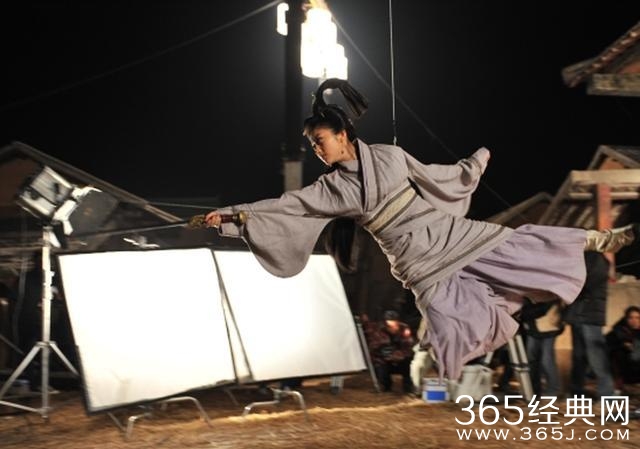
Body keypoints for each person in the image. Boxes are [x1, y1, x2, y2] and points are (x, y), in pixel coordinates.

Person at [203, 78, 639, 381]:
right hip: (413, 257)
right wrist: (233, 215)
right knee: (444, 317)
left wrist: (470, 168)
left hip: (443, 231)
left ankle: (596, 239)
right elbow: (287, 205)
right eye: (312, 145)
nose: (317, 150)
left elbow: (433, 175)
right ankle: (454, 366)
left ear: (342, 133)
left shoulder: (390, 157)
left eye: (320, 140)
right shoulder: (330, 189)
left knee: (515, 242)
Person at [564, 251, 615, 398]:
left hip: (590, 314)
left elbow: (586, 283)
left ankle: (606, 394)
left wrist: (568, 285)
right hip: (579, 314)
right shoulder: (585, 257)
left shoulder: (596, 258)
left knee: (596, 356)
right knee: (578, 356)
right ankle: (576, 391)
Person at [362, 310, 415, 393]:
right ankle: (385, 386)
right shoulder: (377, 328)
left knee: (408, 364)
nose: (393, 327)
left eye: (395, 324)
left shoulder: (404, 328)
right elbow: (374, 345)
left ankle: (408, 387)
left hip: (400, 357)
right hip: (383, 359)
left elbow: (408, 345)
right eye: (390, 325)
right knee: (380, 367)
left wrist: (399, 355)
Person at [520, 298, 564, 396]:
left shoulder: (549, 295)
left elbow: (542, 308)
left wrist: (525, 314)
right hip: (534, 326)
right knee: (533, 359)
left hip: (547, 326)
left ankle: (553, 389)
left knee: (546, 359)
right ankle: (534, 389)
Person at [606, 306, 640, 392]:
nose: (634, 321)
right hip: (624, 366)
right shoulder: (619, 330)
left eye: (637, 318)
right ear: (626, 319)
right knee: (617, 353)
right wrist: (623, 344)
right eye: (631, 318)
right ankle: (617, 387)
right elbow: (607, 344)